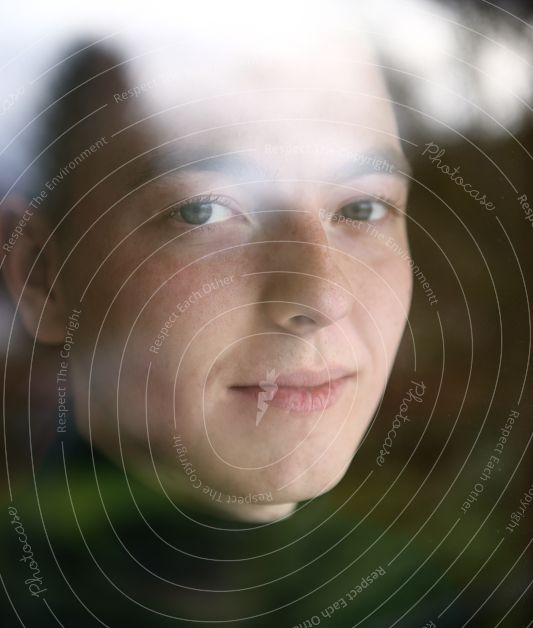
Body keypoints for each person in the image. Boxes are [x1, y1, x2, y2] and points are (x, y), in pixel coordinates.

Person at [1, 10, 412, 522]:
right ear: (43, 275)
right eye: (203, 211)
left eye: (364, 208)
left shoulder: (450, 583)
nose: (322, 299)